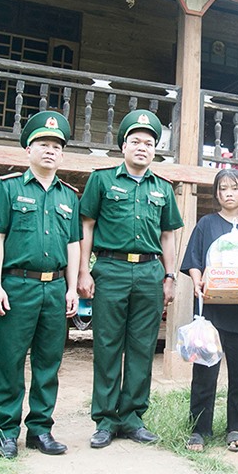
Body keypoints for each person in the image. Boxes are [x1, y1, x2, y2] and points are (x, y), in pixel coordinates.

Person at [78, 109, 184, 449]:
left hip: (151, 272)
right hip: (111, 269)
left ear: (155, 150)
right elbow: (87, 227)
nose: (142, 147)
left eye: (149, 143)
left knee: (141, 347)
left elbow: (168, 235)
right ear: (123, 146)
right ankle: (106, 419)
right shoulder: (102, 180)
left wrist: (169, 276)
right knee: (107, 345)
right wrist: (83, 271)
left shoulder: (163, 188)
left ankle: (133, 417)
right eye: (136, 141)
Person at [0, 111, 81, 459]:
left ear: (62, 154)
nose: (50, 150)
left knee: (48, 362)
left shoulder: (69, 196)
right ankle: (6, 431)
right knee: (9, 361)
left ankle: (40, 429)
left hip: (54, 289)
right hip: (17, 286)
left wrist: (71, 289)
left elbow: (73, 245)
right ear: (28, 149)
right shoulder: (7, 188)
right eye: (43, 144)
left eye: (56, 146)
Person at [180, 168, 238, 453]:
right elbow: (194, 259)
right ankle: (199, 429)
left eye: (234, 188)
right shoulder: (206, 224)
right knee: (205, 372)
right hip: (212, 312)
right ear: (217, 193)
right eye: (222, 189)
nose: (228, 193)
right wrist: (197, 281)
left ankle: (236, 427)